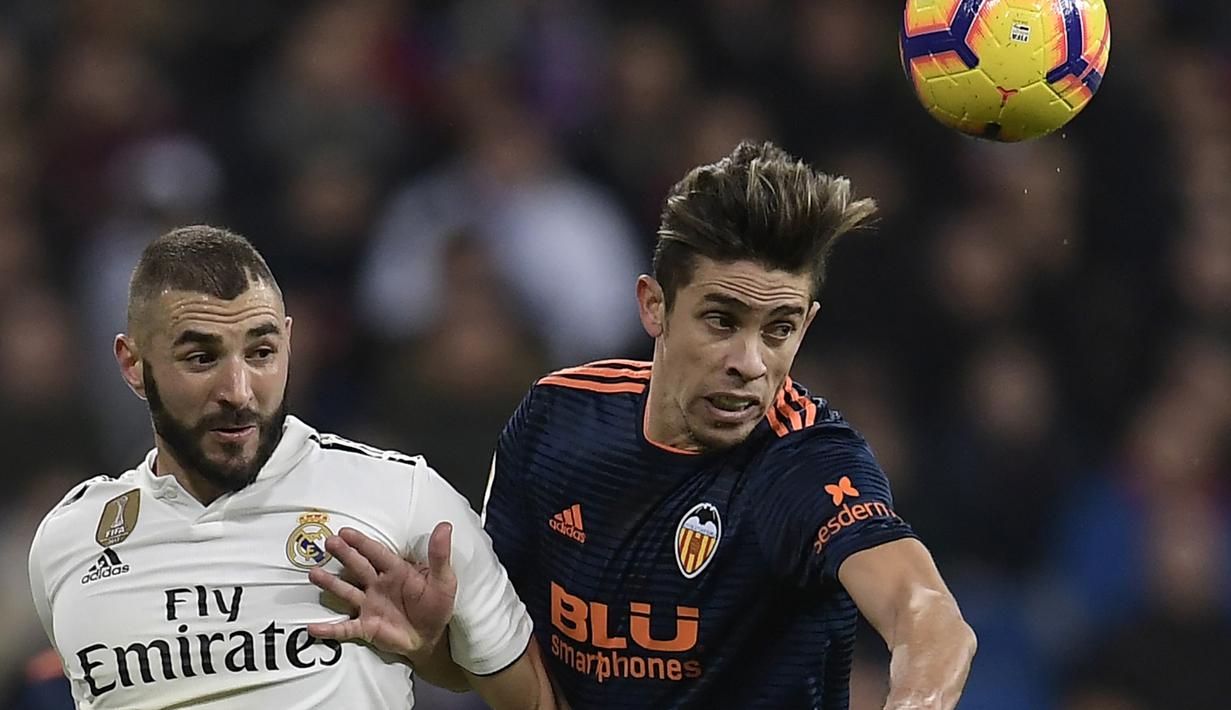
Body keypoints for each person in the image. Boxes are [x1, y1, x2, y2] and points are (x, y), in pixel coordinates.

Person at [313, 140, 977, 708]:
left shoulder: (807, 462)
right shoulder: (555, 422)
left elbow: (925, 615)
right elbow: (517, 676)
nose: (749, 363)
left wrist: (916, 696)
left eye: (777, 330)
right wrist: (432, 644)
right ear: (654, 307)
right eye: (721, 321)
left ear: (804, 325)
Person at [27, 226, 555, 709]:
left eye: (260, 352)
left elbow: (536, 703)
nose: (238, 392)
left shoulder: (403, 497)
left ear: (289, 343)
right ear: (133, 366)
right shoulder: (68, 543)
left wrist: (431, 652)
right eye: (201, 359)